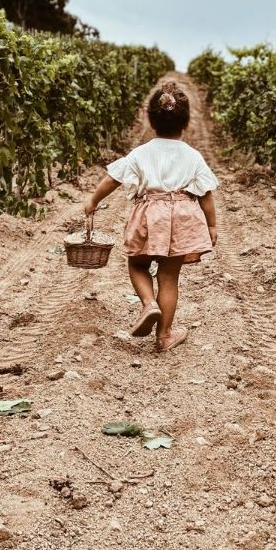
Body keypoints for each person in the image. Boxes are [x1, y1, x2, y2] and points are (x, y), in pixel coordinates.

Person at [84, 81, 218, 352]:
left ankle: (148, 304)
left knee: (137, 265)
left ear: (151, 120)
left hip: (148, 213)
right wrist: (212, 225)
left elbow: (113, 179)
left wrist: (93, 201)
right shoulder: (193, 156)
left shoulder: (140, 153)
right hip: (181, 216)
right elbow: (205, 194)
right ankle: (164, 336)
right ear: (186, 123)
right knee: (169, 278)